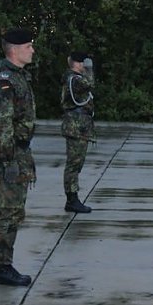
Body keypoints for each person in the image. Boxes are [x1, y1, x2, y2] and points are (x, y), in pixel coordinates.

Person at [0, 28, 37, 287]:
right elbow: (3, 124)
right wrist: (9, 161)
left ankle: (4, 265)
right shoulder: (5, 80)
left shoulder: (18, 77)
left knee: (15, 212)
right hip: (11, 155)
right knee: (8, 212)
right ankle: (1, 267)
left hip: (19, 152)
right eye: (28, 46)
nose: (32, 50)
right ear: (15, 50)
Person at [61, 51, 95, 213]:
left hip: (80, 127)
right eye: (81, 63)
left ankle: (72, 198)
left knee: (77, 164)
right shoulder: (74, 79)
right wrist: (89, 69)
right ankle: (72, 199)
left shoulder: (74, 79)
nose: (83, 65)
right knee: (73, 165)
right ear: (75, 63)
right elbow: (90, 84)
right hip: (76, 127)